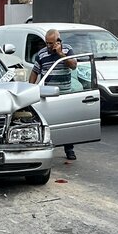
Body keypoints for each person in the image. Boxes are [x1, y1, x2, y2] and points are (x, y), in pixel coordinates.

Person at [29, 28, 77, 160]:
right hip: (49, 95)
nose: (49, 46)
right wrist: (31, 90)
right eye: (47, 43)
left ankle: (69, 149)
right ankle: (48, 149)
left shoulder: (67, 50)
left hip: (64, 94)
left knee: (66, 123)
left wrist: (61, 54)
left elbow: (73, 65)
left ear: (58, 41)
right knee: (49, 124)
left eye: (51, 43)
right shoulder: (41, 54)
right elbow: (34, 72)